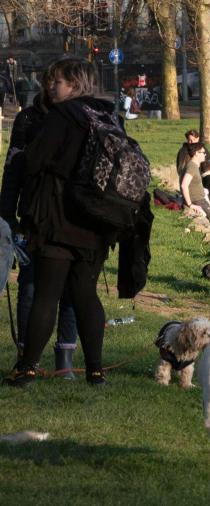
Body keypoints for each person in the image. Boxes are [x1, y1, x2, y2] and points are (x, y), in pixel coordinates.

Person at [4, 57, 113, 386]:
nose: (52, 86)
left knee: (46, 293)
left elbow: (33, 161)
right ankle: (95, 370)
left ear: (76, 84)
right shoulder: (106, 115)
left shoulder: (61, 116)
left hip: (57, 217)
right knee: (85, 293)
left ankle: (27, 368)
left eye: (59, 82)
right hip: (96, 218)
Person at [0, 67, 79, 380]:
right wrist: (7, 214)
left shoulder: (79, 117)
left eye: (56, 82)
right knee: (30, 286)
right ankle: (26, 355)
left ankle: (65, 358)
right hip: (33, 213)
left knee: (69, 289)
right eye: (49, 82)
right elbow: (13, 169)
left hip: (71, 215)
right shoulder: (28, 119)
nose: (51, 87)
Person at [180, 142, 210, 243]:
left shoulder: (194, 166)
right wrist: (190, 204)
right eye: (203, 152)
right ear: (196, 153)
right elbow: (184, 185)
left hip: (202, 199)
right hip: (198, 201)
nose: (205, 154)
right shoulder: (192, 167)